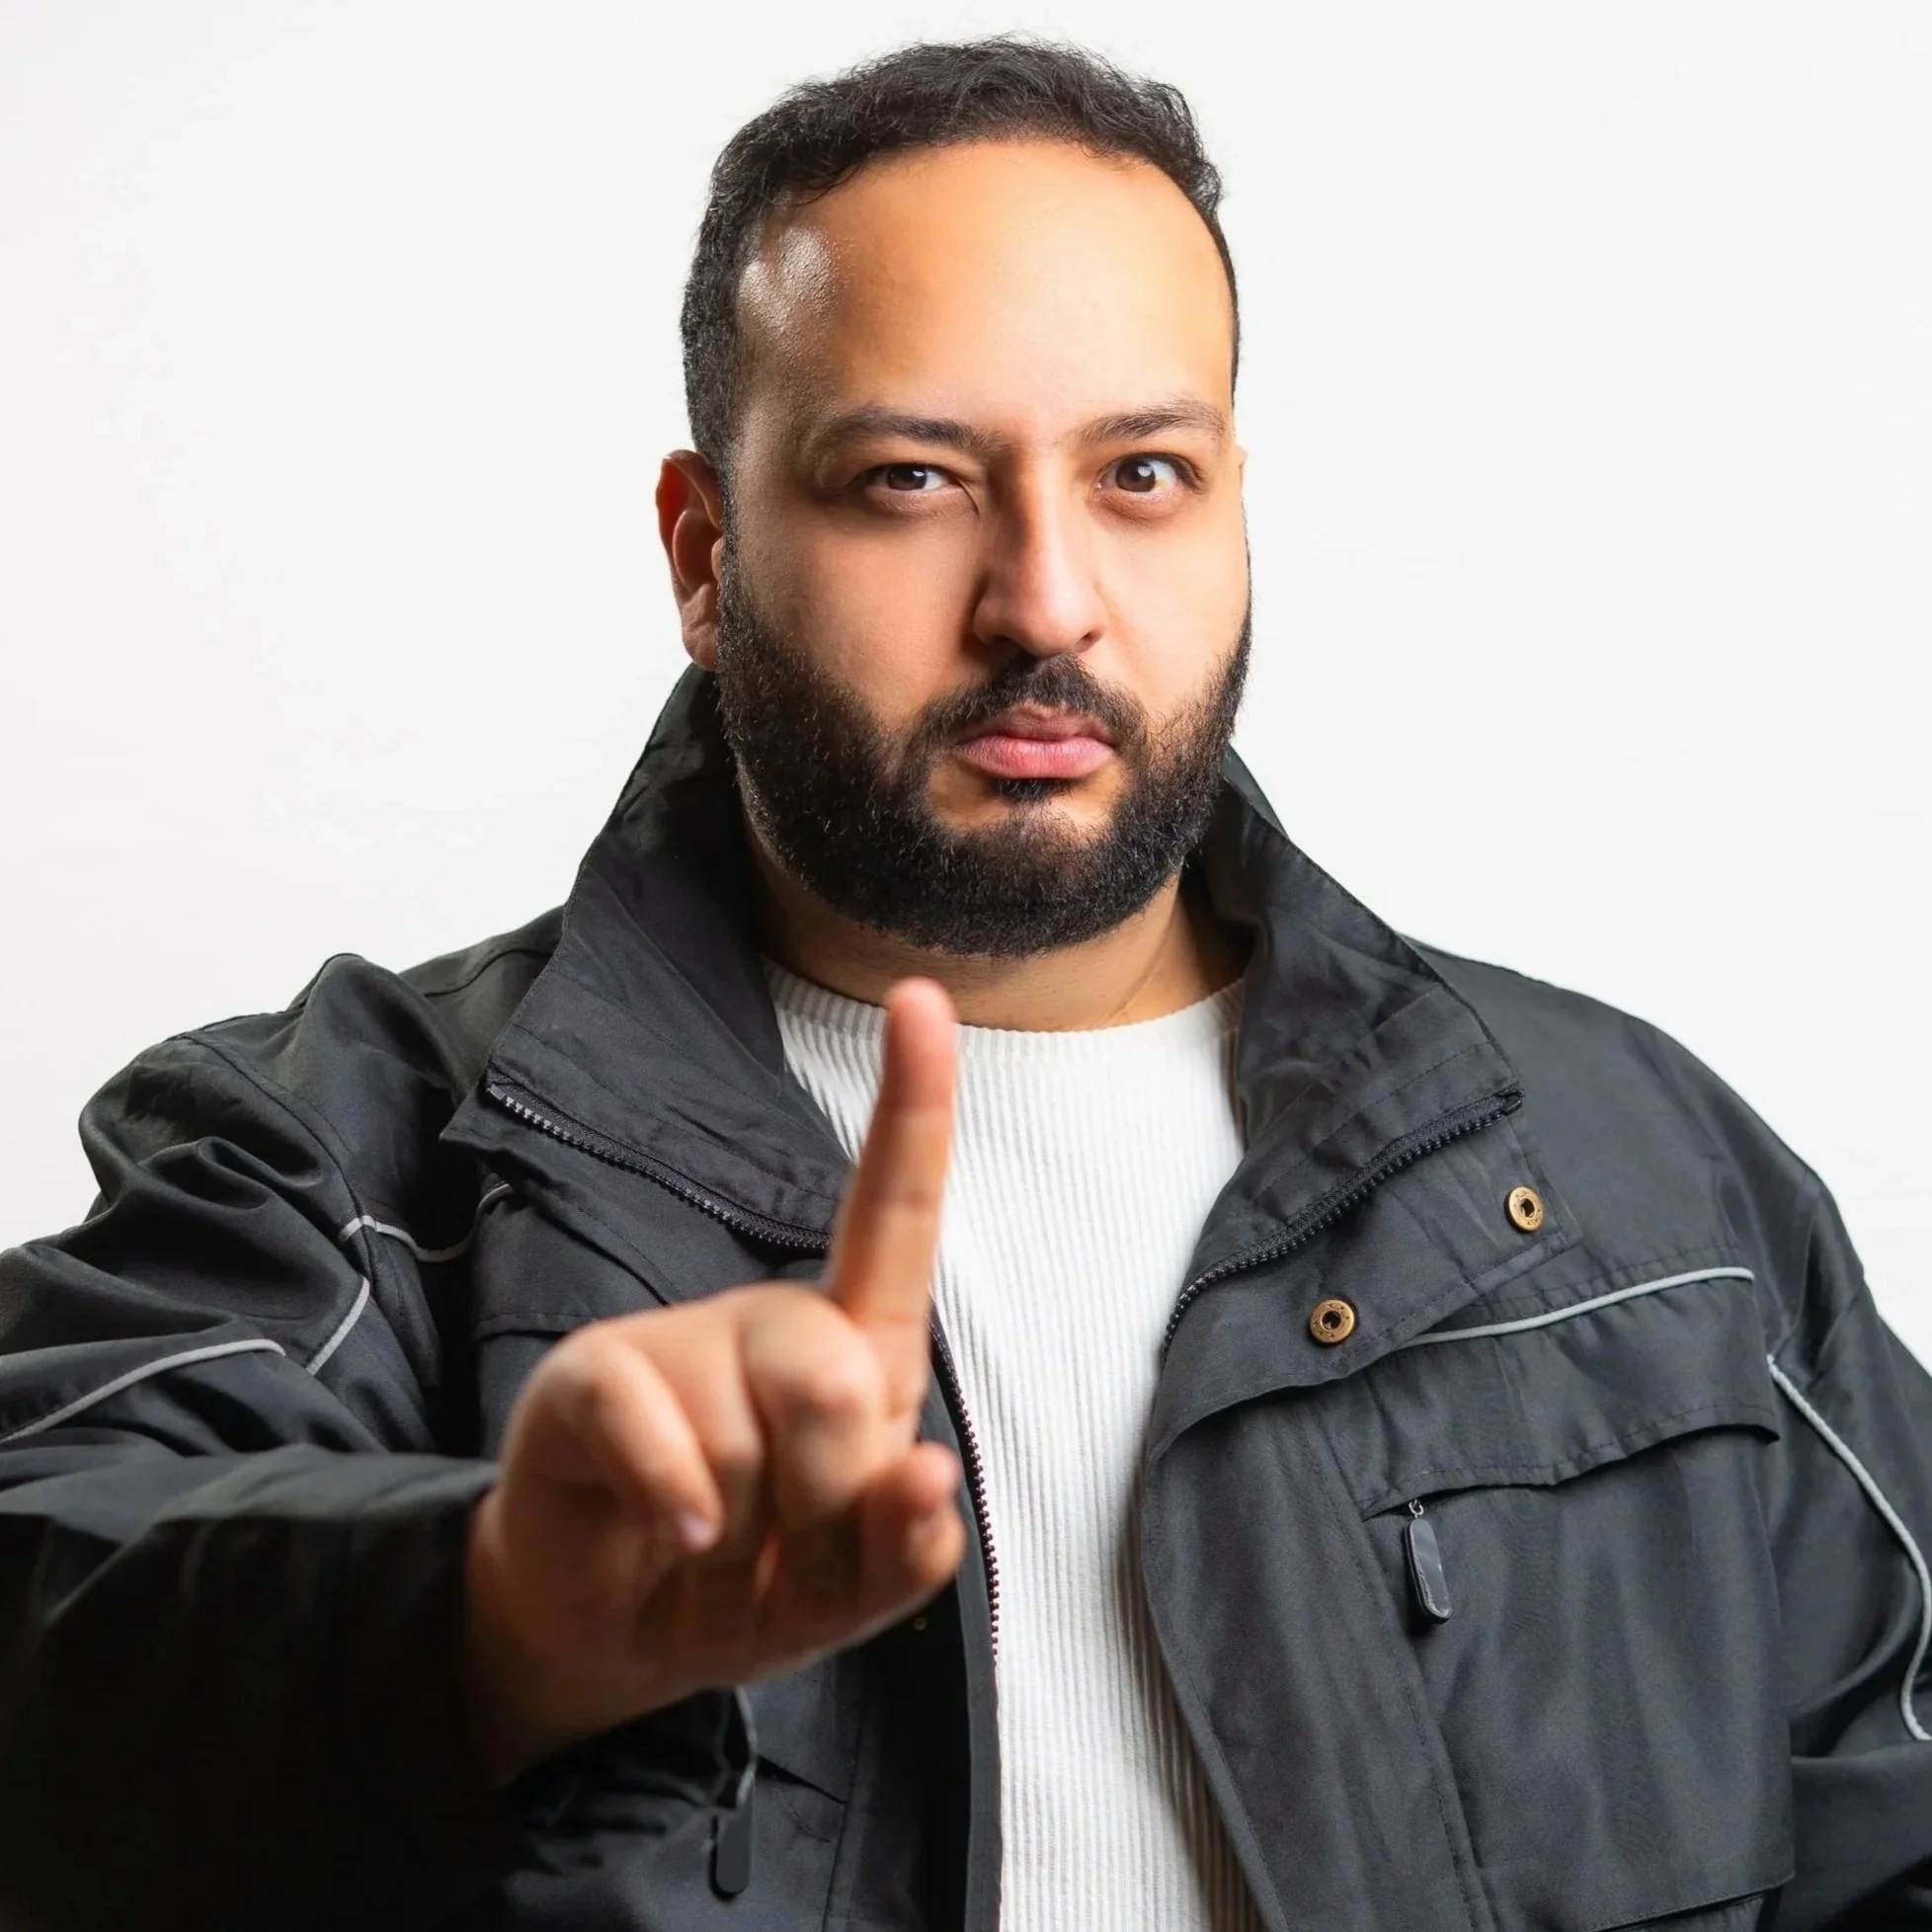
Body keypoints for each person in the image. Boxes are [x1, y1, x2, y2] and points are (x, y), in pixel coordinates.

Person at [0, 35, 1927, 1932]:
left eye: (1144, 474)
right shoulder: (342, 1167)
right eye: (912, 480)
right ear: (704, 550)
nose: (1046, 599)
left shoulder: (1641, 1185)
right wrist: (493, 1614)